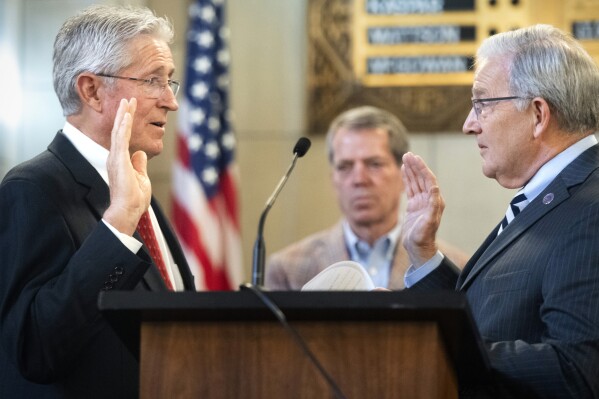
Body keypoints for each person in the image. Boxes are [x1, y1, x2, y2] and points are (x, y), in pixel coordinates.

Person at [0, 5, 195, 398]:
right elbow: (35, 350)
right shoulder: (32, 189)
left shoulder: (136, 184)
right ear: (91, 90)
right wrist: (118, 223)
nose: (170, 102)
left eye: (169, 81)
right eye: (152, 80)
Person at [401, 24, 599, 398]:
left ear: (538, 114)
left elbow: (575, 371)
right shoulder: (558, 195)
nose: (468, 124)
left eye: (481, 104)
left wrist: (427, 344)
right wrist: (423, 254)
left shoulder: (591, 209)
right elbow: (490, 315)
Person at [265, 106, 469, 290]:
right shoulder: (287, 269)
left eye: (374, 164)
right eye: (345, 167)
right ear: (333, 179)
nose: (359, 179)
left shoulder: (454, 269)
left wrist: (423, 252)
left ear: (403, 176)